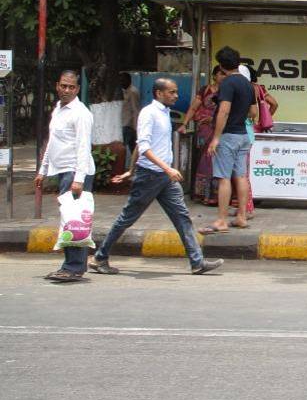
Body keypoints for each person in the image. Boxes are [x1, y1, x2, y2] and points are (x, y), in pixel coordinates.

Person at [90, 79, 223, 275]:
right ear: (159, 93)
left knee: (182, 217)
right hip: (151, 176)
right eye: (172, 92)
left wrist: (131, 170)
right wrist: (162, 169)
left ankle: (197, 261)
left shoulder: (163, 113)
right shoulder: (149, 113)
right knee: (127, 218)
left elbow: (140, 144)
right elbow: (144, 146)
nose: (176, 95)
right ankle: (100, 257)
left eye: (176, 92)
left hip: (163, 176)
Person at [35, 70, 95, 283]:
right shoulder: (59, 110)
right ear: (57, 86)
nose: (67, 90)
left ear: (78, 89)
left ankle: (73, 267)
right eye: (63, 86)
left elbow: (82, 147)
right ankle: (72, 265)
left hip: (75, 171)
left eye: (71, 87)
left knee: (73, 221)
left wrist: (78, 179)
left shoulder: (80, 113)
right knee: (70, 219)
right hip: (63, 171)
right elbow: (52, 142)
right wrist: (42, 170)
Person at [200, 46, 256, 234]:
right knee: (241, 176)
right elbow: (253, 111)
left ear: (222, 66)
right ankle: (241, 216)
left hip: (229, 135)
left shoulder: (227, 84)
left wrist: (216, 138)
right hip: (243, 135)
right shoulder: (248, 84)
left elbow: (223, 110)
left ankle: (222, 220)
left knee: (224, 178)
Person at [179, 66, 224, 204]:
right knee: (205, 160)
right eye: (220, 74)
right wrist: (184, 124)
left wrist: (214, 119)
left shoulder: (228, 91)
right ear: (214, 75)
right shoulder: (205, 90)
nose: (223, 76)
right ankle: (203, 194)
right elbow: (193, 108)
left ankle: (216, 196)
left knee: (218, 161)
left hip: (220, 129)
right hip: (205, 130)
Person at [250, 69, 278, 133]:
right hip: (258, 128)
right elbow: (274, 104)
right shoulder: (260, 88)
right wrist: (264, 120)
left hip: (245, 128)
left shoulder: (243, 87)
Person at [120, 72, 140, 154]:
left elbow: (135, 109)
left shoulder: (132, 92)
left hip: (128, 125)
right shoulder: (124, 91)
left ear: (129, 80)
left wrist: (135, 127)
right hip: (125, 123)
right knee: (133, 148)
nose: (121, 82)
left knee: (123, 147)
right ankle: (134, 165)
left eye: (123, 80)